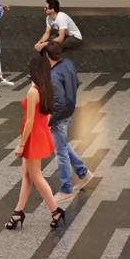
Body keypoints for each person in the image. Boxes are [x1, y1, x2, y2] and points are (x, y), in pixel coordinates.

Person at [5, 52, 66, 230]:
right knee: (27, 175)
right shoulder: (46, 87)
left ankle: (55, 210)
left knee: (36, 176)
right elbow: (46, 115)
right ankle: (18, 212)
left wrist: (21, 144)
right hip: (40, 133)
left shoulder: (33, 92)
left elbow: (30, 120)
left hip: (33, 136)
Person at [44, 42, 91, 205]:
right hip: (69, 111)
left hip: (60, 116)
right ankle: (83, 172)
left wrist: (49, 120)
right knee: (63, 144)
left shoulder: (54, 75)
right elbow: (76, 82)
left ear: (48, 56)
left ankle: (66, 189)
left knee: (61, 151)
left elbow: (59, 102)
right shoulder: (68, 63)